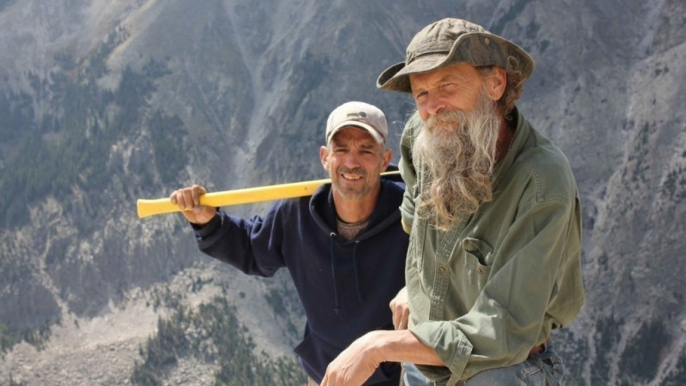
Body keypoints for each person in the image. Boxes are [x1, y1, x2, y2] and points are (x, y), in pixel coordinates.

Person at [320, 18, 585, 386]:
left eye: (446, 86)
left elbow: (503, 329)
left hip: (501, 370)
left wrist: (378, 345)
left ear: (495, 83)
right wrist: (415, 290)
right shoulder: (423, 134)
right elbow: (415, 220)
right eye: (421, 94)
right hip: (423, 359)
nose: (432, 107)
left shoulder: (541, 182)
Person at [170, 101, 408, 386]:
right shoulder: (298, 213)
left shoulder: (412, 213)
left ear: (385, 159)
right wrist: (208, 222)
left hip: (395, 379)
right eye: (341, 149)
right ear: (325, 157)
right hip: (324, 377)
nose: (352, 162)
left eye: (366, 150)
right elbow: (252, 250)